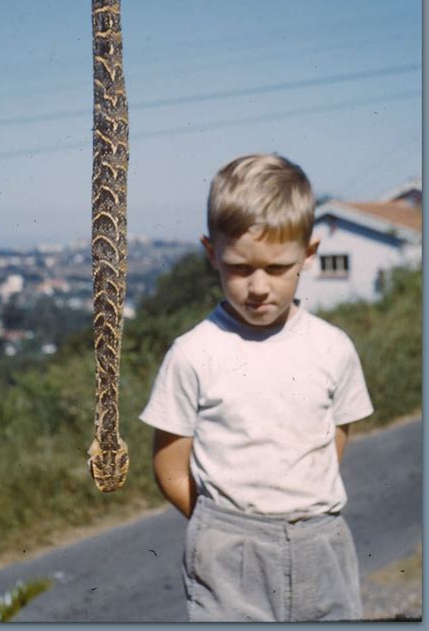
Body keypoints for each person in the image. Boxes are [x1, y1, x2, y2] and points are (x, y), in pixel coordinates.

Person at [139, 153, 373, 622]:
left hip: (322, 542)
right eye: (240, 268)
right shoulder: (194, 352)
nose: (259, 286)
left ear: (309, 253)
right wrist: (219, 526)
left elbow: (335, 436)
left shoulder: (333, 348)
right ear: (212, 254)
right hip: (228, 546)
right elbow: (169, 461)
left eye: (278, 267)